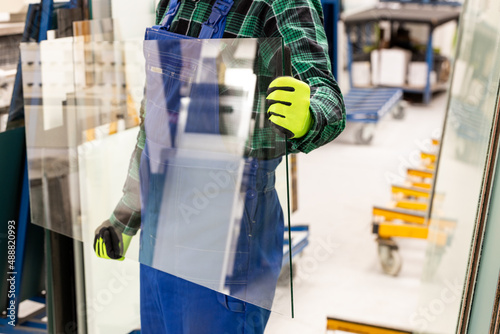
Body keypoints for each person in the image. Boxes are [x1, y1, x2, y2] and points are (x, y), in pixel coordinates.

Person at [93, 0, 345, 332]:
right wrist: (126, 217)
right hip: (159, 236)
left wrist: (310, 116)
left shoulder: (278, 4)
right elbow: (153, 126)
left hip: (227, 239)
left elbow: (329, 98)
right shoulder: (173, 4)